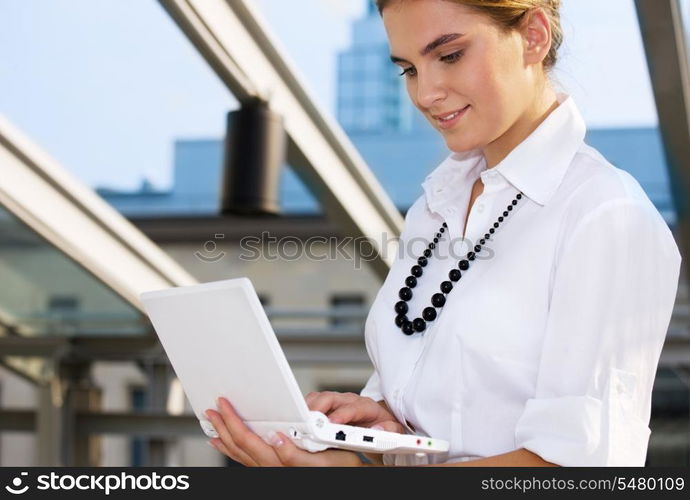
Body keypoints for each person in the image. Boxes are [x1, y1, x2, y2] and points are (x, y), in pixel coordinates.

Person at [204, 0, 682, 466]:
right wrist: (385, 422)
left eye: (449, 55)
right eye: (408, 69)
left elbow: (579, 467)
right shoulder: (433, 209)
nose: (425, 93)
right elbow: (456, 408)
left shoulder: (605, 213)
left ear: (533, 36)